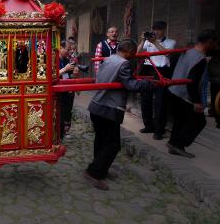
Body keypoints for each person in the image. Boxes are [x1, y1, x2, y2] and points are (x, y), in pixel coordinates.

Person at [84, 39, 153, 191]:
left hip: (97, 106)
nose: (134, 56)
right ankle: (93, 172)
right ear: (128, 51)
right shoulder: (124, 64)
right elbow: (131, 85)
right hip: (109, 108)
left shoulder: (108, 59)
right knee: (113, 144)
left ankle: (100, 168)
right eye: (134, 53)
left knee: (101, 140)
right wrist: (148, 83)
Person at [167, 30, 219, 158]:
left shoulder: (189, 51)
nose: (215, 47)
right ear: (209, 42)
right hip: (185, 94)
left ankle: (174, 143)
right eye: (214, 44)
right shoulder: (200, 58)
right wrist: (196, 102)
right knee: (199, 122)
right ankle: (178, 144)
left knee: (180, 121)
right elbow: (192, 82)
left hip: (174, 90)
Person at [137, 21, 176, 140]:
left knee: (160, 102)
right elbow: (137, 53)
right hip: (148, 69)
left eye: (159, 29)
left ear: (164, 29)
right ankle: (148, 125)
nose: (156, 31)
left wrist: (155, 42)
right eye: (154, 29)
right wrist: (144, 40)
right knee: (145, 100)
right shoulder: (148, 41)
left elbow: (168, 54)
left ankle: (159, 130)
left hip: (162, 71)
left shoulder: (171, 42)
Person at [58, 41, 88, 139]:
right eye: (68, 49)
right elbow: (50, 75)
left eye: (71, 49)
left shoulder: (66, 60)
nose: (70, 51)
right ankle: (58, 134)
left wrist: (75, 74)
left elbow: (69, 76)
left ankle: (64, 132)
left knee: (67, 111)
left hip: (67, 90)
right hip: (58, 91)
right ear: (60, 48)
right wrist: (64, 70)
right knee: (59, 112)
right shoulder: (54, 59)